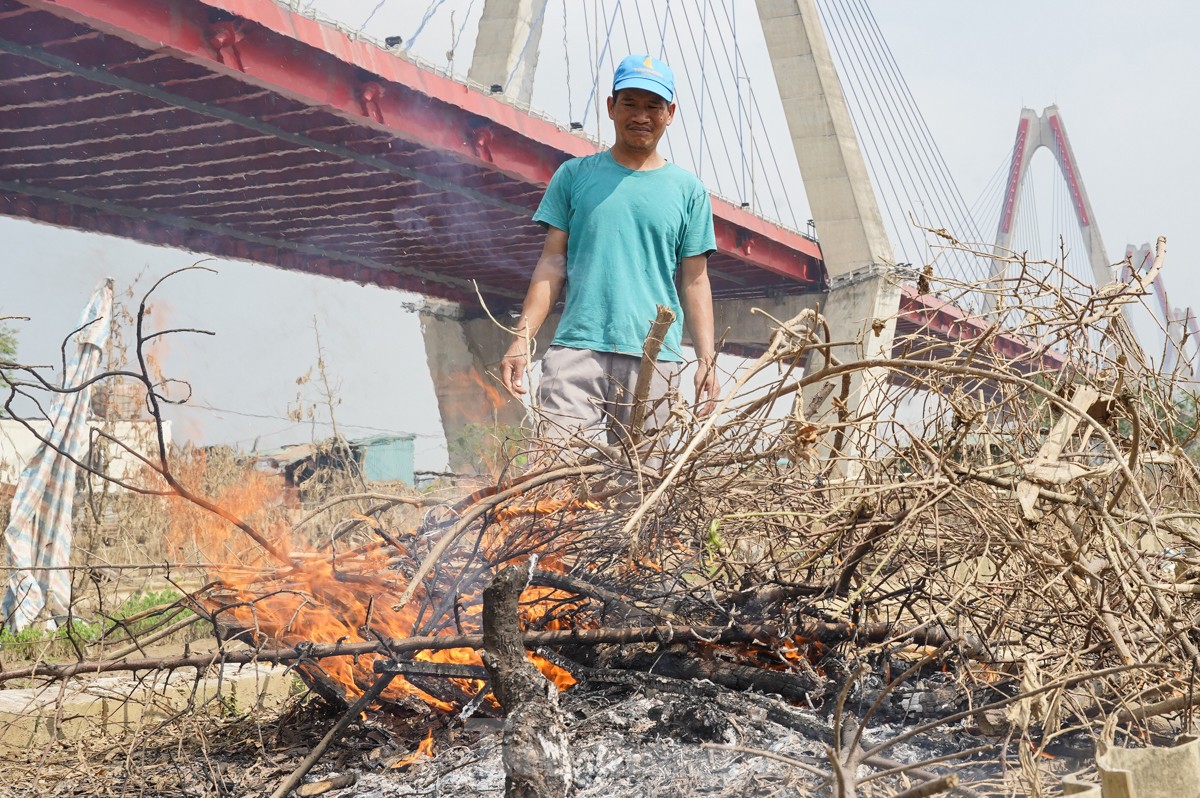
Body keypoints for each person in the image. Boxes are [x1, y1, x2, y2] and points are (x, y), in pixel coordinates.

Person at [498, 54, 718, 448]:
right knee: (553, 466)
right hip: (576, 349)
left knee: (643, 478)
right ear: (611, 107)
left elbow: (695, 279)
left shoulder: (689, 191)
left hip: (655, 358)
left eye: (653, 106)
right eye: (630, 103)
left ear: (670, 113)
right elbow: (551, 264)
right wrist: (521, 340)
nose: (641, 116)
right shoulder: (573, 176)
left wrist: (706, 360)